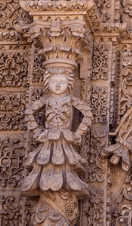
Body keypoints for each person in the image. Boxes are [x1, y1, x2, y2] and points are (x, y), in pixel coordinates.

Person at [22, 64, 92, 197]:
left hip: (64, 138)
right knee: (46, 165)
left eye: (62, 82)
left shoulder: (71, 99)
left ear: (69, 84)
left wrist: (78, 134)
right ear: (47, 83)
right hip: (48, 139)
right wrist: (37, 132)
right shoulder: (46, 100)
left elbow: (87, 113)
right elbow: (29, 112)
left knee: (65, 167)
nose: (58, 86)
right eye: (54, 82)